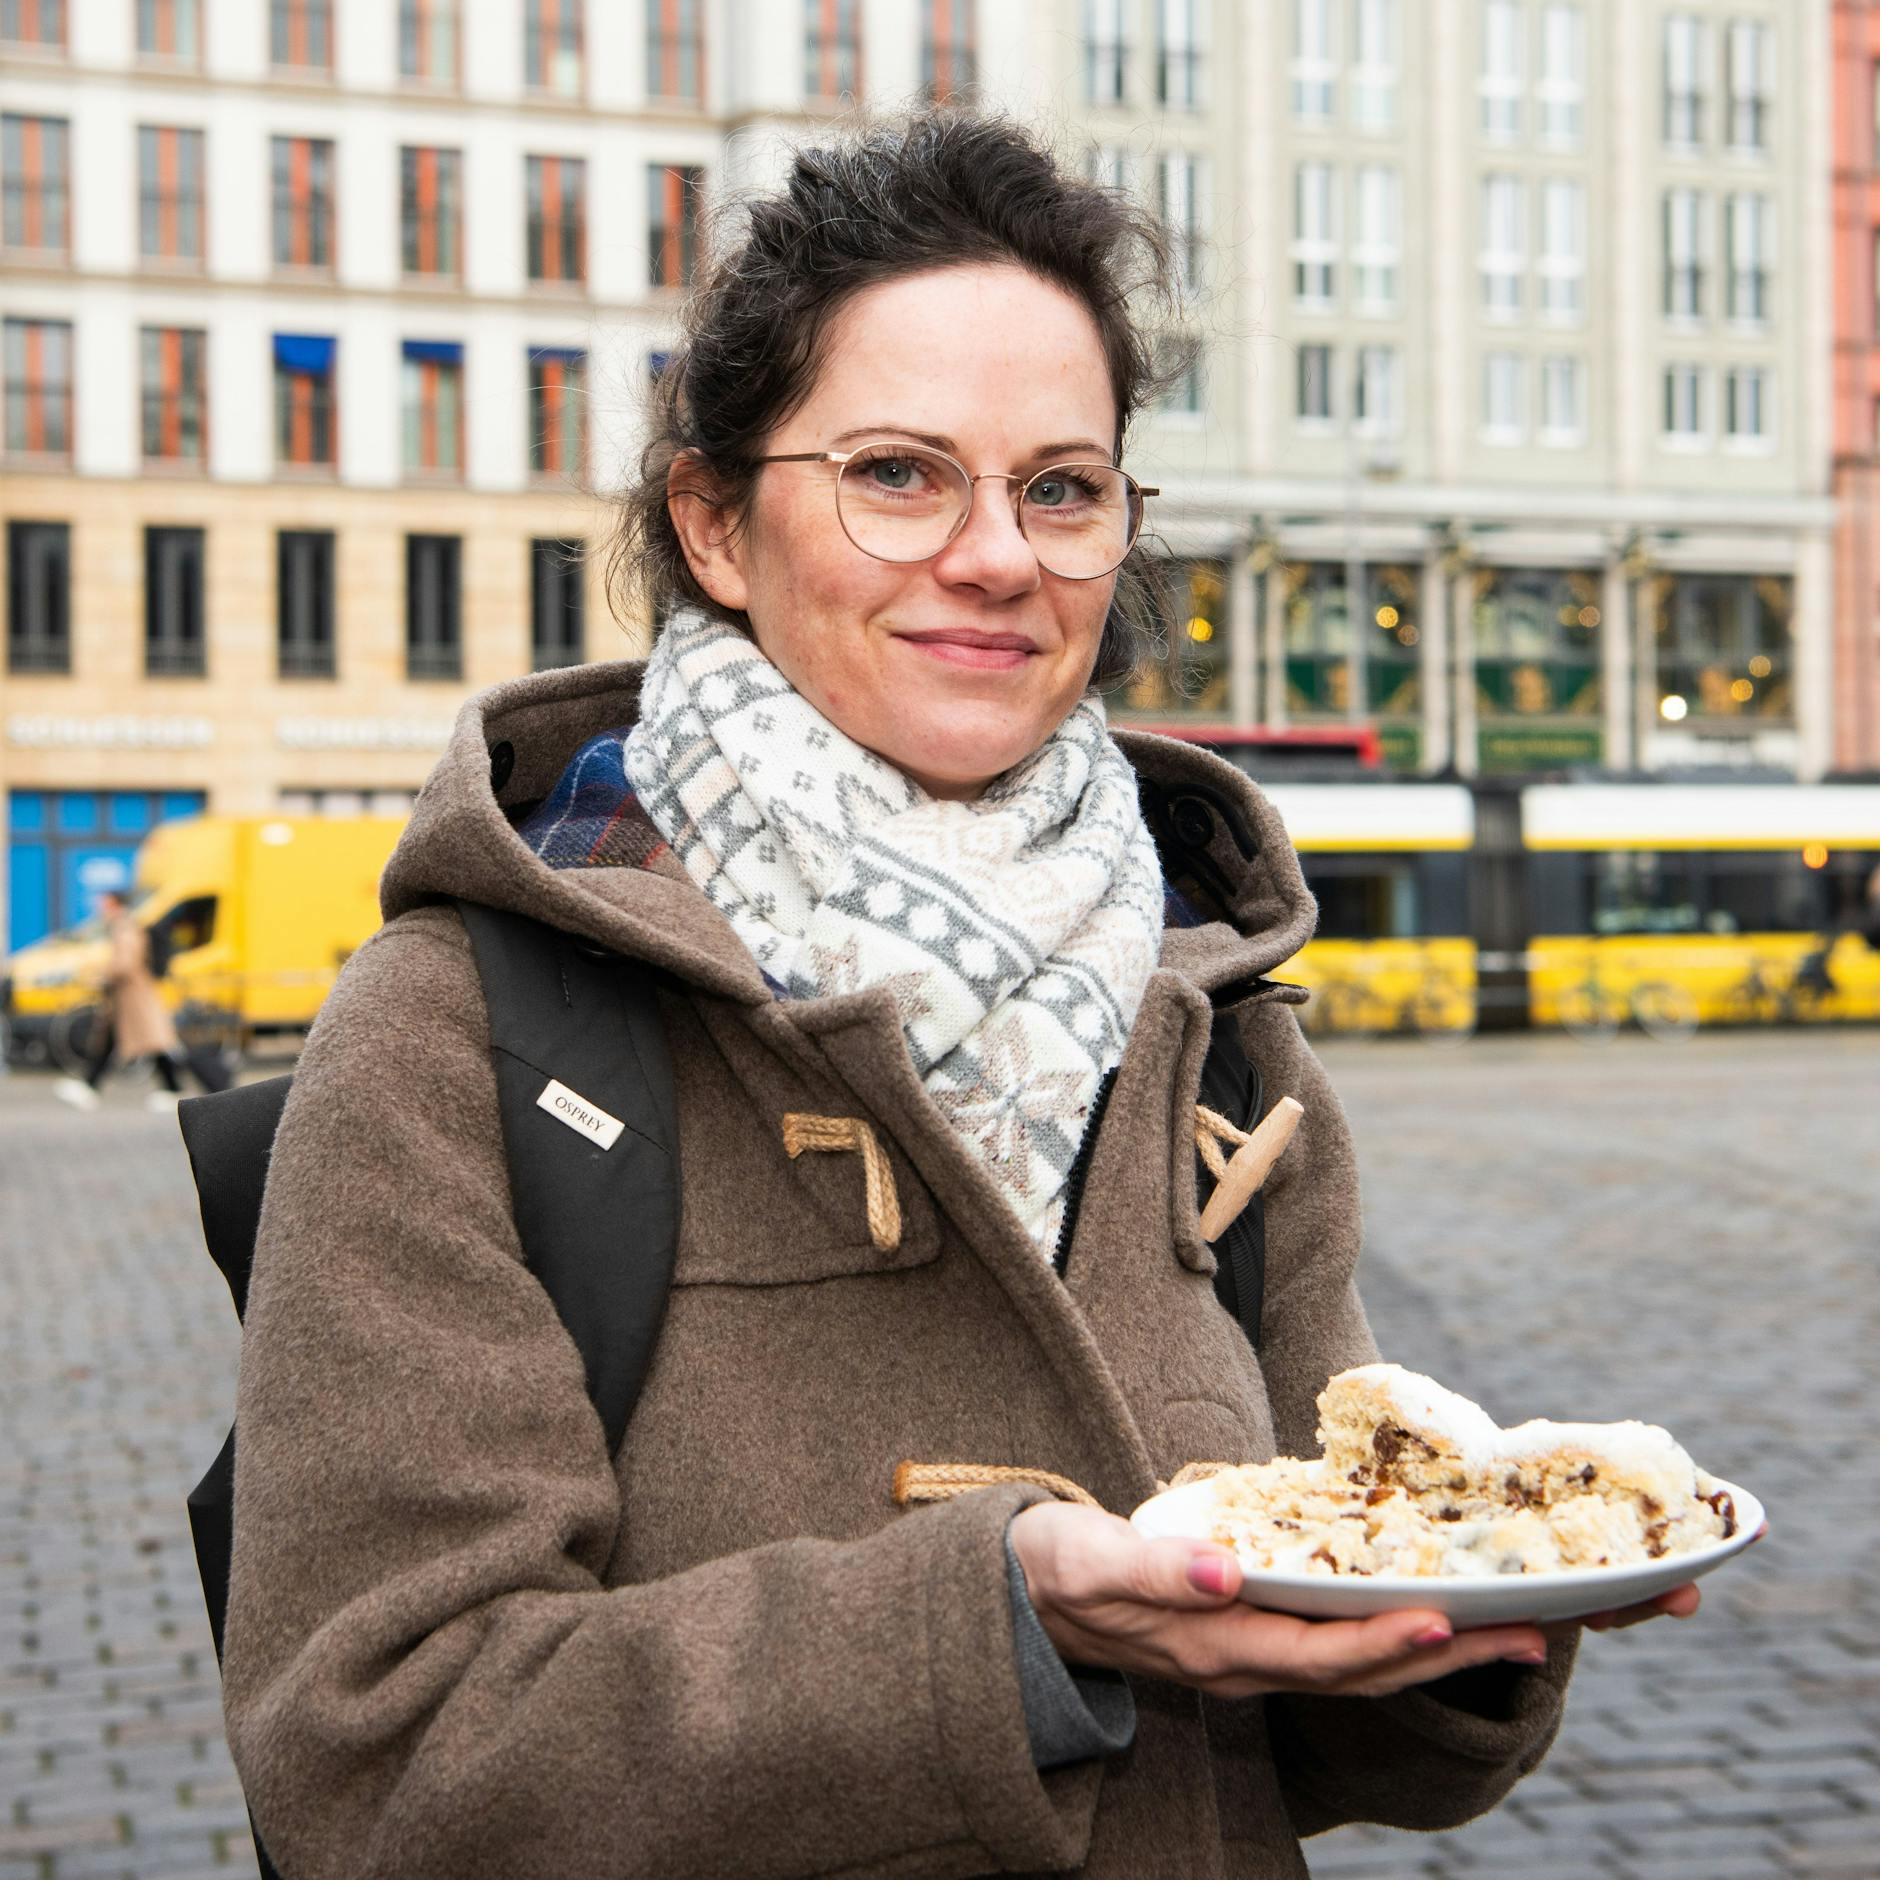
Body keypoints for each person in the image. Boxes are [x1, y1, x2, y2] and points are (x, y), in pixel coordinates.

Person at [222, 114, 1703, 1879]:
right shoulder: (460, 1032)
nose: (997, 555)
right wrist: (1000, 1631)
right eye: (900, 473)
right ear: (712, 523)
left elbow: (1304, 1726)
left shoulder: (1215, 1008)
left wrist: (1469, 1611)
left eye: (1061, 488)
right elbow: (378, 1767)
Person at [53, 889, 197, 1112]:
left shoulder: (124, 926)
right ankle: (90, 1087)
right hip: (130, 997)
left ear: (114, 903)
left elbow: (125, 962)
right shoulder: (125, 924)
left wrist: (104, 975)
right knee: (134, 1041)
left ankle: (172, 1089)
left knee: (152, 1041)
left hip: (133, 996)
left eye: (103, 902)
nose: (100, 906)